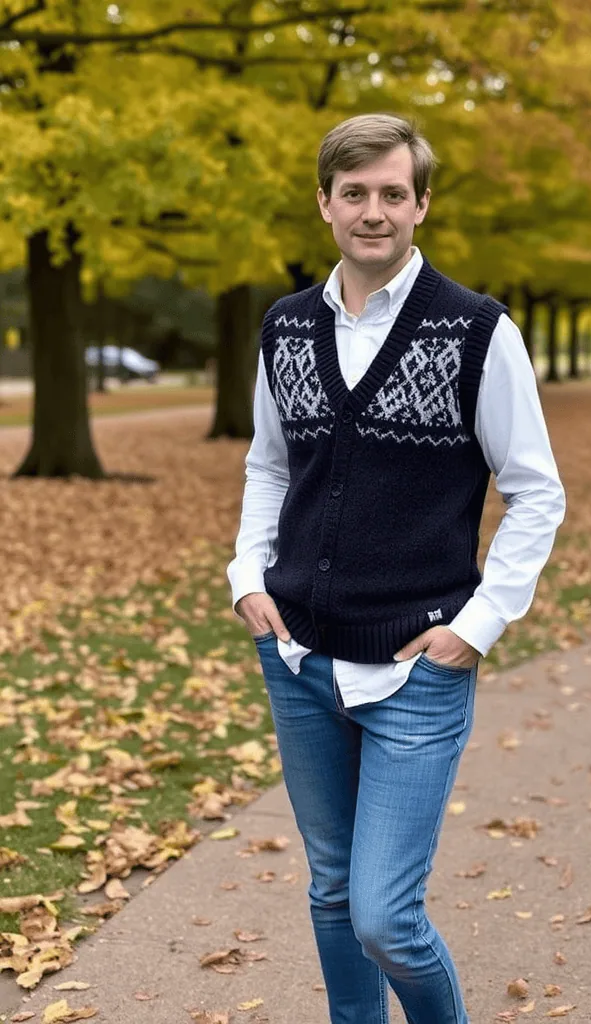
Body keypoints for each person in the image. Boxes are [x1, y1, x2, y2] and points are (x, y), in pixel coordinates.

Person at [227, 113, 566, 1024]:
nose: (372, 211)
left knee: (385, 916)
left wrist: (476, 627)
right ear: (325, 204)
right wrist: (247, 577)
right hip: (297, 657)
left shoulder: (475, 331)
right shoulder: (286, 327)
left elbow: (537, 491)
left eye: (391, 194)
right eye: (354, 194)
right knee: (331, 891)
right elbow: (270, 464)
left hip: (417, 664)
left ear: (421, 205)